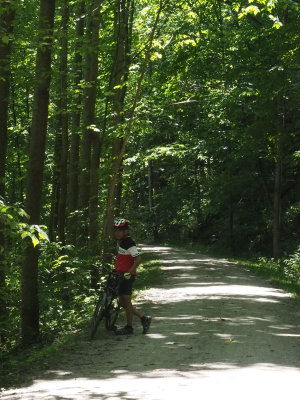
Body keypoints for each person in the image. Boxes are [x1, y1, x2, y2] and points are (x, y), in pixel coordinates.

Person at [113, 218, 152, 335]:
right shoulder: (122, 242)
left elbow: (138, 259)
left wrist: (129, 272)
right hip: (120, 275)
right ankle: (143, 318)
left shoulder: (129, 243)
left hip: (127, 277)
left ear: (126, 231)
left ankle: (131, 326)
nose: (117, 232)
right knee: (122, 302)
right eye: (116, 230)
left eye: (120, 230)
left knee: (126, 302)